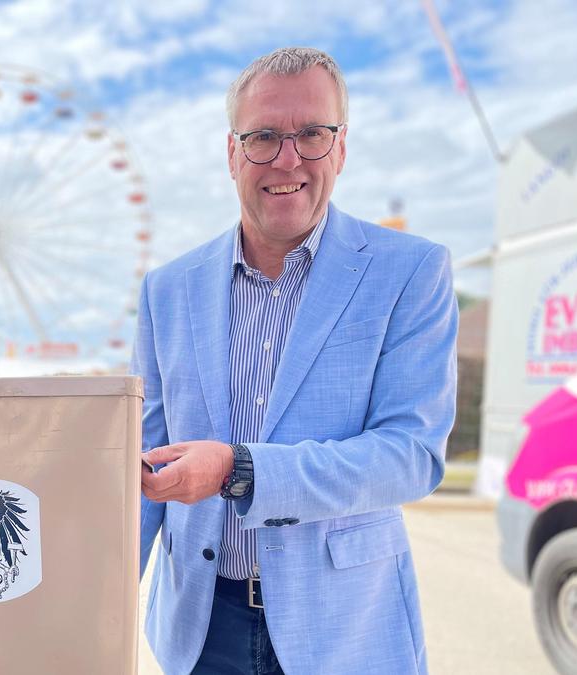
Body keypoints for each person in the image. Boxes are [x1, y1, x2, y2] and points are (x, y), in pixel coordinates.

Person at [133, 47, 457, 674]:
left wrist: (242, 470)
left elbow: (412, 455)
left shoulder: (411, 270)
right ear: (232, 153)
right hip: (199, 629)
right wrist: (87, 599)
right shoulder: (166, 290)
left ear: (340, 147)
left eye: (311, 134)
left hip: (345, 630)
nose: (288, 159)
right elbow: (145, 456)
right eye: (263, 137)